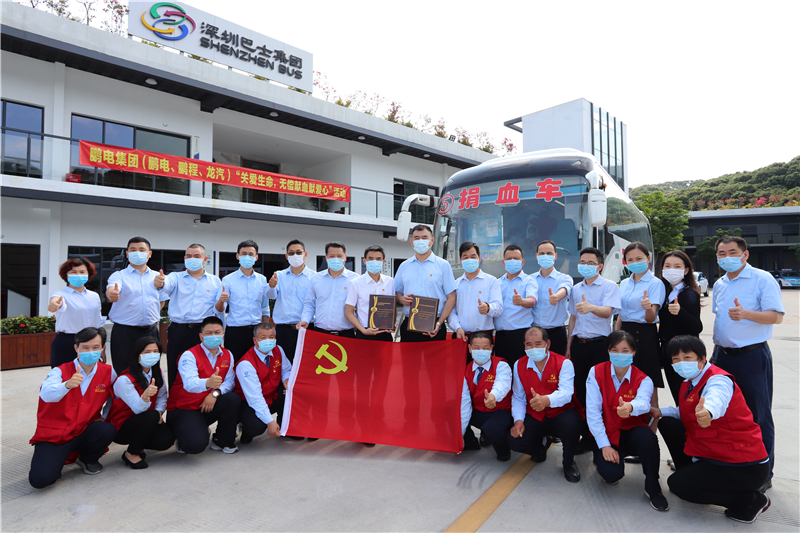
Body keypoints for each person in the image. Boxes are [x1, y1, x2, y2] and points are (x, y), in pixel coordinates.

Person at [654, 335, 771, 524]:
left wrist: (708, 411)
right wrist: (658, 411)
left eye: (687, 357)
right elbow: (684, 411)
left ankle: (750, 501)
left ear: (702, 358)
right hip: (715, 453)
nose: (681, 363)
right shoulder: (690, 381)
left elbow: (717, 399)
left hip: (744, 466)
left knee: (678, 486)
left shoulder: (718, 380)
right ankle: (691, 471)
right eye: (675, 359)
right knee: (667, 422)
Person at [711, 236, 783, 490]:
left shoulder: (761, 279)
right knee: (722, 412)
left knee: (757, 414)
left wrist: (746, 314)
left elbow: (776, 316)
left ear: (745, 254)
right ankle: (730, 464)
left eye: (733, 252)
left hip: (751, 356)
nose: (727, 257)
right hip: (722, 356)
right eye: (722, 253)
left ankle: (763, 474)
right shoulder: (719, 284)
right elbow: (721, 321)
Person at [586, 331, 668, 512]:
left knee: (647, 437)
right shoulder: (596, 372)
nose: (619, 354)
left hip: (631, 432)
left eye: (625, 350)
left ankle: (653, 487)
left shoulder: (644, 379)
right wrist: (604, 446)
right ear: (608, 351)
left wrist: (631, 407)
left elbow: (644, 403)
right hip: (608, 434)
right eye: (614, 350)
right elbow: (593, 412)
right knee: (611, 476)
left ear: (633, 352)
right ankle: (607, 456)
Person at [29, 327, 116, 488]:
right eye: (85, 347)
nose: (90, 351)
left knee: (106, 429)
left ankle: (87, 459)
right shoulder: (59, 371)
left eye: (96, 347)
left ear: (103, 348)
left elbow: (114, 398)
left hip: (84, 430)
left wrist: (104, 416)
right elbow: (46, 394)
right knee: (41, 480)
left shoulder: (109, 372)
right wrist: (66, 385)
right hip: (56, 434)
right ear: (76, 348)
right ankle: (56, 456)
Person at [508, 326, 583, 483]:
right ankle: (540, 448)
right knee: (515, 440)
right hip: (535, 414)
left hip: (560, 412)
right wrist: (518, 421)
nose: (533, 348)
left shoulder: (564, 363)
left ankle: (569, 462)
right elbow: (519, 397)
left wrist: (546, 400)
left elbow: (567, 393)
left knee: (571, 425)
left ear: (547, 344)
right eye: (529, 344)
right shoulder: (519, 364)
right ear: (524, 346)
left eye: (538, 343)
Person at [566, 246, 621, 453]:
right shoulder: (575, 289)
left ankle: (602, 436)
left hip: (600, 346)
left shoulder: (609, 286)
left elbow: (608, 312)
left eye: (591, 263)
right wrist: (569, 346)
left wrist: (591, 308)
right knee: (580, 391)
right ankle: (585, 436)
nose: (586, 266)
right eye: (583, 262)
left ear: (599, 266)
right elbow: (573, 318)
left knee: (599, 391)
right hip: (579, 345)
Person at [166, 316, 241, 454]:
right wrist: (207, 383)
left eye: (217, 332)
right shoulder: (189, 355)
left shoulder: (227, 354)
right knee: (195, 445)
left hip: (206, 404)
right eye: (209, 333)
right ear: (201, 336)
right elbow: (189, 384)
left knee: (232, 398)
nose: (213, 336)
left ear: (223, 334)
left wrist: (215, 393)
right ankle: (182, 435)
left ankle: (222, 440)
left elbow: (229, 382)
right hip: (184, 407)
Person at [154, 243, 223, 388]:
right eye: (189, 256)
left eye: (197, 256)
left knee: (202, 368)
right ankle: (175, 400)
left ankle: (200, 400)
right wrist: (161, 283)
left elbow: (218, 309)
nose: (192, 259)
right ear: (184, 258)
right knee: (175, 367)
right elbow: (166, 284)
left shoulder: (215, 281)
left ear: (205, 259)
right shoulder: (176, 277)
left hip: (202, 332)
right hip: (178, 331)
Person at [106, 337, 174, 469]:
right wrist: (145, 397)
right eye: (147, 352)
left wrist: (159, 412)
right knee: (151, 416)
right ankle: (131, 453)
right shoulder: (124, 379)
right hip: (122, 426)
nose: (152, 355)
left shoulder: (157, 372)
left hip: (147, 420)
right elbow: (137, 408)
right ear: (137, 355)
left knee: (166, 439)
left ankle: (139, 444)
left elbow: (162, 396)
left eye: (155, 351)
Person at [615, 242, 666, 418]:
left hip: (645, 335)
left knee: (648, 383)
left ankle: (651, 429)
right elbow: (621, 314)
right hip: (625, 333)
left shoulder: (655, 283)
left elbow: (651, 318)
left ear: (648, 259)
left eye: (639, 258)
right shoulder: (624, 283)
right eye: (630, 260)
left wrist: (647, 307)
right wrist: (616, 336)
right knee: (625, 382)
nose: (634, 262)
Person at [106, 237, 163, 374]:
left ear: (149, 254)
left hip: (150, 332)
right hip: (124, 333)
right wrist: (112, 294)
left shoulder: (157, 277)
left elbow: (161, 301)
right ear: (127, 254)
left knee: (151, 370)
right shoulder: (119, 275)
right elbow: (112, 289)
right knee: (124, 371)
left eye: (142, 250)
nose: (137, 253)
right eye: (133, 250)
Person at [394, 224, 457, 342]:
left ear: (432, 240)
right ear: (412, 242)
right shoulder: (404, 266)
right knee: (408, 355)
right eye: (417, 238)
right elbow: (397, 291)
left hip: (435, 326)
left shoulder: (443, 265)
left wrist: (439, 323)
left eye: (424, 237)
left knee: (435, 355)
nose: (420, 241)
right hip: (409, 326)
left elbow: (451, 297)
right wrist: (401, 299)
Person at [234, 322, 291, 444]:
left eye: (271, 337)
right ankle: (245, 429)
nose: (268, 341)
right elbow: (254, 398)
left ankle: (284, 426)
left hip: (270, 395)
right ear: (255, 340)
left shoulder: (278, 350)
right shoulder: (246, 364)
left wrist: (286, 379)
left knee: (289, 391)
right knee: (257, 426)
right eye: (263, 337)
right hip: (248, 403)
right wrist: (270, 422)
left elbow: (286, 369)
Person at [459, 332, 513, 461]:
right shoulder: (465, 370)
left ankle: (504, 451)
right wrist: (460, 433)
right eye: (476, 347)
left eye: (485, 348)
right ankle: (470, 442)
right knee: (451, 410)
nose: (481, 351)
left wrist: (493, 396)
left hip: (499, 411)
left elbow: (502, 384)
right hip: (477, 410)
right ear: (470, 349)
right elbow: (465, 401)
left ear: (491, 348)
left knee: (493, 428)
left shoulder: (501, 365)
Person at [658, 250, 703, 404]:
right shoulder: (664, 291)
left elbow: (697, 327)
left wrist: (680, 312)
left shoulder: (689, 294)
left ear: (686, 270)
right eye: (667, 266)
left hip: (685, 353)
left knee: (688, 398)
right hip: (669, 351)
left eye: (677, 266)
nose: (672, 270)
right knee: (677, 396)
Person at [217, 240, 270, 362]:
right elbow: (219, 310)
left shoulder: (262, 280)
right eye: (244, 253)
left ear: (256, 257)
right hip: (235, 332)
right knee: (235, 365)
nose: (247, 257)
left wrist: (266, 330)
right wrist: (221, 300)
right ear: (237, 256)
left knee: (257, 364)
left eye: (251, 254)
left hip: (256, 331)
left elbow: (264, 307)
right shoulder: (228, 280)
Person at [47, 257, 104, 368]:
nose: (78, 275)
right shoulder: (60, 294)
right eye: (73, 272)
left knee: (90, 374)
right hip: (67, 341)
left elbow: (98, 321)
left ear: (88, 274)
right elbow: (55, 302)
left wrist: (101, 346)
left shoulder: (94, 296)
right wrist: (54, 305)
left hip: (91, 341)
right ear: (66, 275)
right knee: (63, 374)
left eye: (82, 272)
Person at [265, 239, 315, 362]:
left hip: (306, 328)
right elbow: (270, 296)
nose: (295, 255)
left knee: (305, 365)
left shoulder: (314, 277)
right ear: (287, 256)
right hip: (283, 330)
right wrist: (271, 286)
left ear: (305, 254)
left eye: (299, 252)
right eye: (291, 253)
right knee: (283, 365)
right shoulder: (279, 275)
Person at [298, 242, 359, 337]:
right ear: (326, 258)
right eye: (332, 256)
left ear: (345, 257)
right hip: (320, 333)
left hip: (346, 334)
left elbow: (360, 305)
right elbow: (309, 304)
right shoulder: (316, 278)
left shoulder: (355, 279)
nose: (336, 259)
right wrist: (305, 320)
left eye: (339, 256)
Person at [449, 242, 503, 342]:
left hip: (483, 338)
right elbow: (451, 311)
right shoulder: (456, 284)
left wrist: (488, 308)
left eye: (473, 257)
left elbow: (499, 308)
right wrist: (457, 327)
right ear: (460, 260)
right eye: (465, 257)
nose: (469, 260)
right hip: (461, 337)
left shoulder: (491, 281)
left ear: (479, 258)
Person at [493, 245, 536, 368]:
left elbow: (532, 300)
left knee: (521, 372)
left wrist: (521, 301)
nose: (512, 261)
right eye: (509, 258)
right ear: (503, 262)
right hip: (501, 337)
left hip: (521, 336)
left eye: (516, 258)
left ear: (522, 261)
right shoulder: (497, 283)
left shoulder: (529, 281)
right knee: (502, 371)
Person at [345, 245, 396, 342]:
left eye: (378, 259)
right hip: (364, 333)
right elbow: (349, 312)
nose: (374, 261)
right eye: (371, 258)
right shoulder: (355, 283)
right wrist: (363, 330)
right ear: (364, 261)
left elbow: (392, 308)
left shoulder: (390, 282)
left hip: (385, 332)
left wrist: (393, 323)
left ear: (383, 262)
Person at [531, 240, 573, 357]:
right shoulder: (529, 280)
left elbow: (564, 289)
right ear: (537, 256)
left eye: (549, 253)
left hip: (557, 333)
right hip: (534, 333)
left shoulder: (564, 278)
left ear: (555, 256)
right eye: (542, 253)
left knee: (557, 366)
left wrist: (556, 297)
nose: (545, 256)